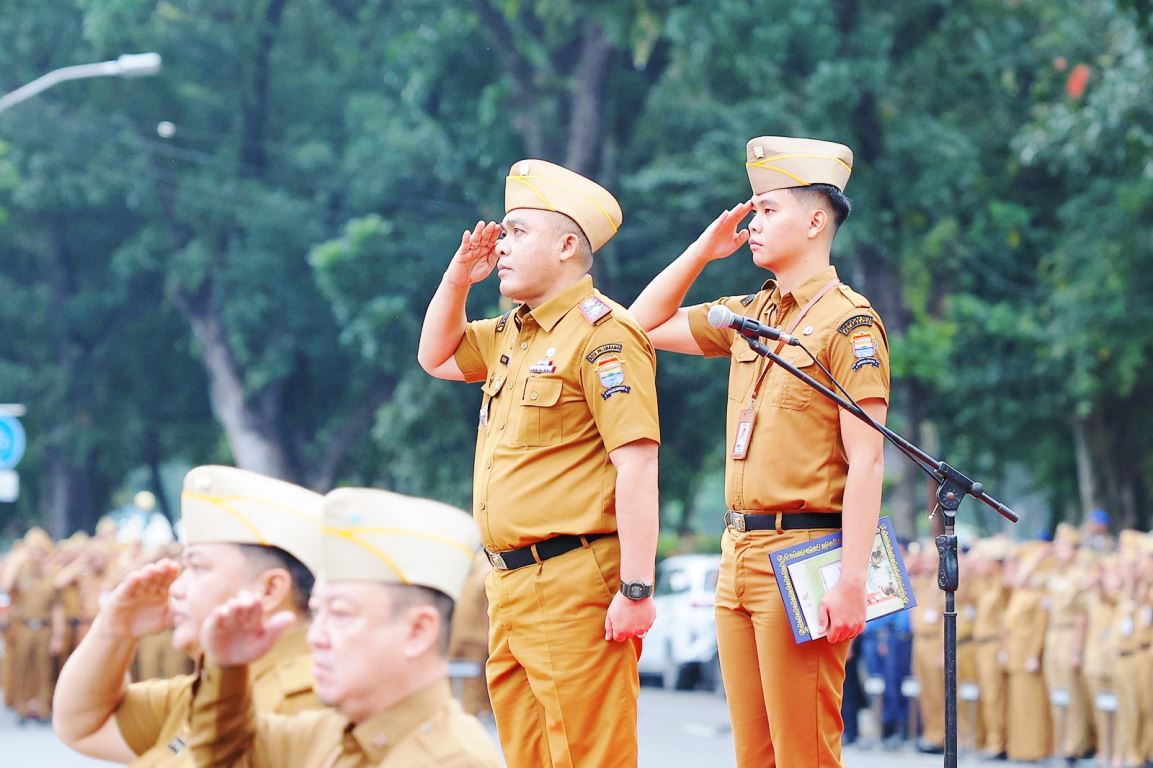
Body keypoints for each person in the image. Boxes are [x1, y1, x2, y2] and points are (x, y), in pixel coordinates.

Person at [628, 135, 888, 766]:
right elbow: (641, 323)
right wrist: (702, 252)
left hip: (805, 553)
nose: (753, 223)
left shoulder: (849, 324)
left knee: (804, 751)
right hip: (738, 552)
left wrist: (853, 581)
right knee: (755, 753)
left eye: (769, 209)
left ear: (816, 219)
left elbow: (869, 461)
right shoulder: (748, 314)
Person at [417, 158, 661, 767]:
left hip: (574, 578)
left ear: (568, 244)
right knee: (528, 756)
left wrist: (636, 588)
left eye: (518, 231)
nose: (499, 244)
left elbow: (636, 465)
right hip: (510, 582)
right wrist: (457, 280)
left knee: (589, 757)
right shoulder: (511, 333)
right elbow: (435, 356)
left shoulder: (604, 335)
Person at [184, 487, 503, 768]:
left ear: (417, 631)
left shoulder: (453, 761)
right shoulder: (324, 734)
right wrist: (227, 665)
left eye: (339, 614)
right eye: (315, 612)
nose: (315, 637)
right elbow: (223, 756)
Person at [53, 465, 324, 765]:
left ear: (270, 589)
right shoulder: (209, 688)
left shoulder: (309, 700)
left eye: (198, 568)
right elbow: (82, 726)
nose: (177, 588)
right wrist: (114, 631)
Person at [0, 527, 57, 723]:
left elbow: (56, 606)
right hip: (23, 627)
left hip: (44, 628)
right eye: (32, 551)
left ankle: (42, 708)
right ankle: (22, 707)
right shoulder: (19, 572)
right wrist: (17, 561)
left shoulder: (50, 575)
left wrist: (57, 635)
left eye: (40, 551)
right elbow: (5, 587)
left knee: (44, 670)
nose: (35, 556)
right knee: (21, 668)